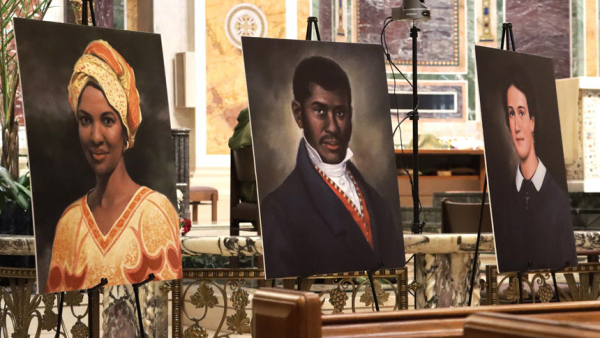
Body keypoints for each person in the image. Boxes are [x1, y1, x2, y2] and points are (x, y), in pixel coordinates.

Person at [45, 40, 182, 293]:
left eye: (108, 120)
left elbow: (163, 316)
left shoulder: (154, 214)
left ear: (125, 130)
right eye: (85, 120)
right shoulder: (69, 223)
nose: (95, 136)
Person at [261, 56, 405, 279]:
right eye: (320, 111)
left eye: (340, 113)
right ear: (299, 114)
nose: (333, 127)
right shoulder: (279, 210)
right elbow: (284, 297)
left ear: (351, 114)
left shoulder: (380, 204)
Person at [493, 66, 577, 273]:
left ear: (532, 121)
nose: (517, 126)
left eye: (522, 113)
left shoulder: (558, 200)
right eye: (511, 114)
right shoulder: (503, 201)